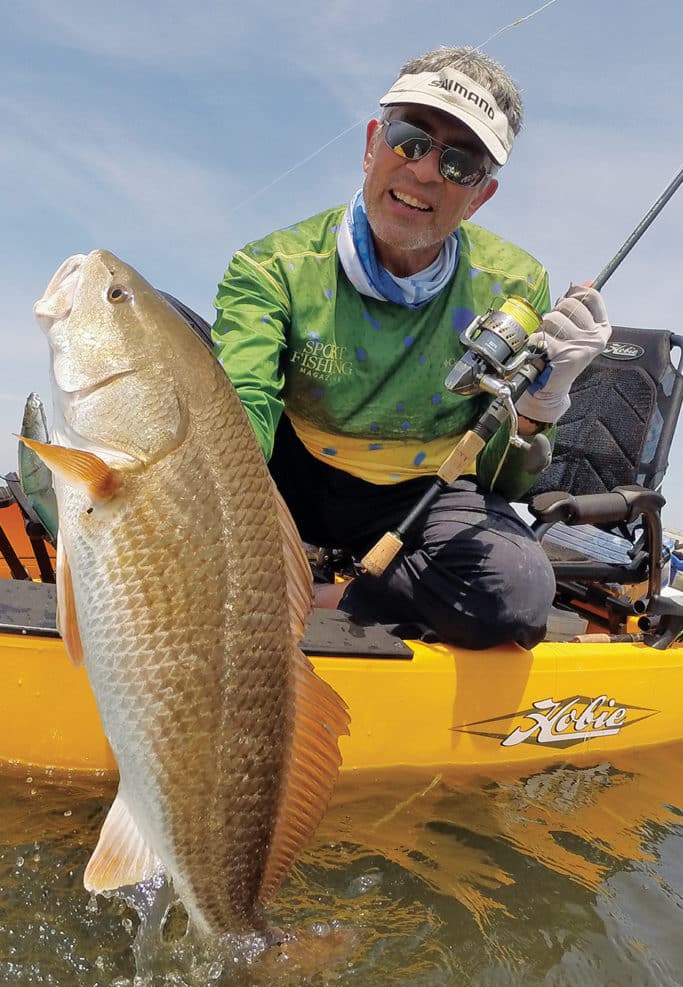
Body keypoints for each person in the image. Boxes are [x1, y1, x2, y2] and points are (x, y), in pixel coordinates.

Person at [211, 46, 611, 650]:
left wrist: (545, 400)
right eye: (410, 139)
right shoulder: (273, 266)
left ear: (481, 196)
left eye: (460, 164)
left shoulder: (517, 285)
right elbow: (241, 418)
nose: (426, 172)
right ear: (373, 143)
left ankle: (326, 597)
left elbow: (502, 484)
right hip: (289, 472)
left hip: (422, 489)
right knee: (164, 331)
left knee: (518, 594)